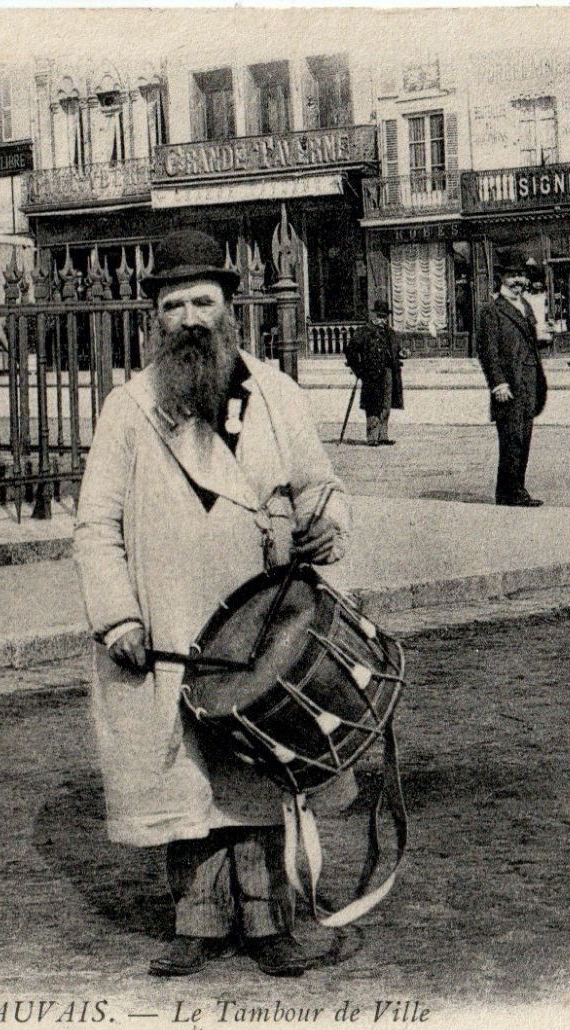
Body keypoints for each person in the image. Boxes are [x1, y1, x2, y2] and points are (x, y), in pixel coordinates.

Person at [72, 228, 353, 980]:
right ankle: (196, 921)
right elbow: (95, 525)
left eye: (203, 300)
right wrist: (118, 617)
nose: (190, 317)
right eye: (173, 305)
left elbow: (319, 486)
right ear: (155, 320)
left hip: (259, 620)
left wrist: (326, 525)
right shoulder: (128, 410)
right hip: (167, 617)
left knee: (258, 764)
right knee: (185, 774)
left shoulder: (276, 394)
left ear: (231, 308)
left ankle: (268, 922)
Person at [475, 254, 548, 507]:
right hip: (509, 385)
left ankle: (513, 490)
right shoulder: (491, 311)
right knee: (511, 439)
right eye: (512, 276)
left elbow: (531, 341)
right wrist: (498, 384)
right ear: (501, 279)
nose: (518, 280)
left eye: (521, 275)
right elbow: (488, 352)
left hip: (529, 382)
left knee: (523, 437)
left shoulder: (525, 306)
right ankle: (510, 492)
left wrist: (544, 338)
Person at [344, 299, 404, 446]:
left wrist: (401, 353)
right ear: (373, 316)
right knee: (372, 404)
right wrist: (359, 369)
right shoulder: (364, 332)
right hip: (371, 374)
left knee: (386, 403)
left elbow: (396, 350)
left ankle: (383, 435)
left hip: (389, 372)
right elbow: (350, 351)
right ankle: (372, 437)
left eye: (384, 317)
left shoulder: (390, 333)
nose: (382, 320)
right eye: (379, 316)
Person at [524, 278, 553, 352]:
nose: (538, 285)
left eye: (540, 283)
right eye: (536, 283)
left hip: (541, 317)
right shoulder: (528, 295)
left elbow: (547, 307)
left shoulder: (545, 295)